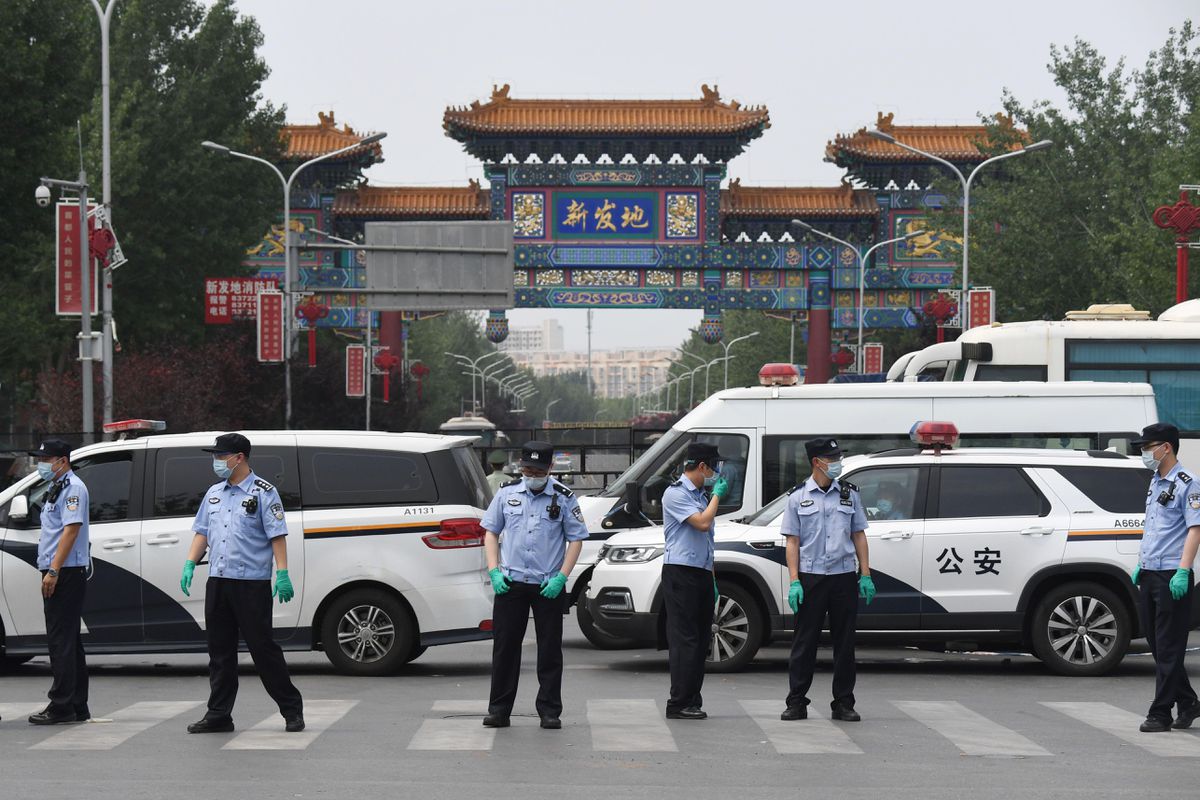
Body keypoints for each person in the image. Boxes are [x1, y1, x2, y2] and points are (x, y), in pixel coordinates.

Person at [180, 432, 305, 734]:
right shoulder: (214, 493)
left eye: (221, 456)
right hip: (219, 582)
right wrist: (190, 563)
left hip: (250, 584)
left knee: (263, 650)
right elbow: (202, 532)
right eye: (215, 456)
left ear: (240, 458)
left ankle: (291, 710)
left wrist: (283, 573)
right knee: (220, 652)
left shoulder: (264, 492)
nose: (216, 461)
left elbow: (277, 535)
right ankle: (219, 714)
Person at [481, 440, 588, 730]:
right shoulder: (506, 494)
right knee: (505, 648)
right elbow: (490, 532)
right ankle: (499, 710)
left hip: (547, 584)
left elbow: (576, 539)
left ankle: (550, 711)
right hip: (510, 582)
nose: (532, 476)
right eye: (528, 470)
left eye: (539, 472)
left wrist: (562, 577)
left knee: (550, 650)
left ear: (550, 468)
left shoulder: (564, 497)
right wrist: (494, 571)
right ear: (520, 466)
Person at [780, 437, 874, 723]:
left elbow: (858, 535)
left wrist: (865, 574)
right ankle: (797, 702)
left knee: (845, 643)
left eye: (837, 459)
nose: (837, 464)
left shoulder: (849, 494)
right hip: (811, 578)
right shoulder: (797, 497)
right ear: (816, 462)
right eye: (831, 459)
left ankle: (843, 702)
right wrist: (794, 581)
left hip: (843, 576)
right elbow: (792, 542)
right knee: (804, 642)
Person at [1130, 422, 1200, 733]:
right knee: (1159, 647)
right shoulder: (1156, 481)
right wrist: (1141, 563)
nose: (1145, 453)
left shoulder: (1188, 483)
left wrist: (1183, 571)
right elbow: (1154, 528)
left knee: (1169, 648)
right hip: (1150, 572)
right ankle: (1188, 702)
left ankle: (1160, 713)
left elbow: (1195, 529)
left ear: (1166, 447)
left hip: (1172, 575)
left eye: (1148, 447)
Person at [660, 442, 729, 720]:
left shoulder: (701, 495)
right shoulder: (676, 493)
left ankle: (692, 699)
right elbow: (702, 524)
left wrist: (711, 578)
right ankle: (678, 702)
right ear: (702, 466)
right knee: (685, 639)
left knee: (701, 639)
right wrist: (717, 497)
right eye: (715, 466)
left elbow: (707, 543)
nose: (717, 473)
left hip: (700, 571)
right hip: (681, 572)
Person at [26, 439, 91, 725]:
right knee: (69, 640)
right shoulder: (59, 486)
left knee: (60, 640)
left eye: (46, 459)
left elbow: (71, 530)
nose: (41, 465)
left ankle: (62, 705)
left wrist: (53, 570)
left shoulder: (73, 488)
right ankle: (76, 705)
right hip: (62, 569)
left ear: (62, 461)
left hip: (64, 571)